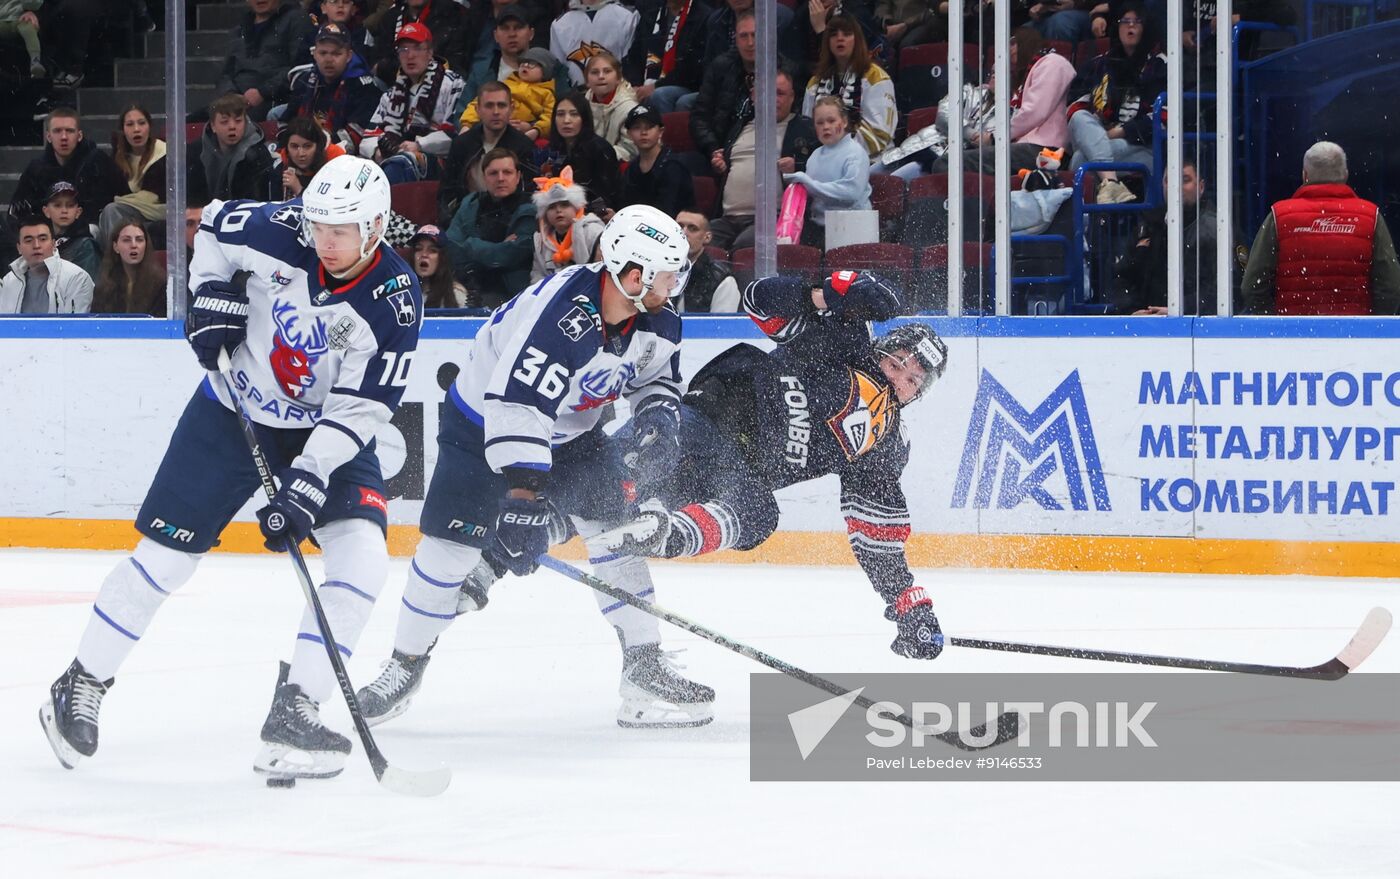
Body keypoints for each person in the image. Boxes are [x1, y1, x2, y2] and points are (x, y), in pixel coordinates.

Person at [38, 155, 424, 782]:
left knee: (362, 558)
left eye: (341, 230)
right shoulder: (278, 228)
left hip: (324, 431)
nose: (325, 240)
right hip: (231, 408)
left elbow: (363, 406)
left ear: (376, 228)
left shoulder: (393, 301)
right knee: (166, 559)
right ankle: (82, 681)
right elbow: (214, 224)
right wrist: (210, 291)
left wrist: (310, 477)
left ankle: (296, 710)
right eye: (319, 225)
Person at [352, 204, 716, 731]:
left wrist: (658, 415)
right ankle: (404, 665)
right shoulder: (563, 316)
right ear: (633, 275)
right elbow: (516, 405)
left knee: (614, 531)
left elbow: (655, 376)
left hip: (571, 435)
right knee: (449, 550)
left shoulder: (658, 317)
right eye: (667, 274)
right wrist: (523, 499)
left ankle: (643, 667)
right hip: (481, 427)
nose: (675, 284)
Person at [591, 272, 948, 663]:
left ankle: (662, 533)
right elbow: (758, 300)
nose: (899, 380)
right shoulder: (844, 340)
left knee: (759, 514)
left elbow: (877, 535)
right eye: (896, 363)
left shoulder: (884, 444)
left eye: (913, 380)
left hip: (732, 476)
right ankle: (555, 496)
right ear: (881, 351)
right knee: (612, 474)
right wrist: (827, 293)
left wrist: (908, 602)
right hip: (702, 424)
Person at [1241, 141, 1400, 316]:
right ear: (1345, 175)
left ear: (1305, 175)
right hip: (1354, 331)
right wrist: (1371, 325)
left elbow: (1253, 286)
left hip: (1294, 330)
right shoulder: (1371, 217)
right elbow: (1391, 287)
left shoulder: (1279, 217)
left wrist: (1276, 324)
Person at [1066, 0, 1165, 205]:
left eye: (1137, 21)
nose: (1130, 26)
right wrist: (1100, 133)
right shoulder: (1099, 64)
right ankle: (1110, 181)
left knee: (1079, 160)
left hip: (1141, 148)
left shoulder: (1160, 65)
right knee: (1079, 117)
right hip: (1100, 138)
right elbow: (1076, 105)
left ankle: (1099, 205)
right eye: (1125, 21)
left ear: (1145, 28)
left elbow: (1165, 116)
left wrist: (1121, 132)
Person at [708, 68, 818, 251]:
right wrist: (720, 166)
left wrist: (798, 166)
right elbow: (726, 171)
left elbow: (824, 169)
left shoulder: (805, 129)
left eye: (780, 93)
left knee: (745, 246)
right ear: (754, 96)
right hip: (728, 218)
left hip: (774, 218)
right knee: (697, 243)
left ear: (792, 97)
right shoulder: (739, 127)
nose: (774, 99)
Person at [360, 23, 466, 185]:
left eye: (417, 48)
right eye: (403, 49)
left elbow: (457, 135)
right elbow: (368, 137)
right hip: (396, 159)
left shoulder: (453, 84)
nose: (410, 56)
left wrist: (419, 145)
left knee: (401, 163)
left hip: (441, 162)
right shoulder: (390, 95)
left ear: (430, 52)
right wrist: (378, 151)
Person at [1112, 158, 1221, 315]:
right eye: (1169, 180)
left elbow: (1228, 290)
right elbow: (1121, 278)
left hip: (1197, 325)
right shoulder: (1148, 225)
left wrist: (1181, 309)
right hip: (1148, 325)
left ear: (1201, 187)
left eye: (1185, 180)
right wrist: (1132, 312)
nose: (1177, 187)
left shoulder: (1217, 229)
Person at [8, 108, 125, 239]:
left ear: (79, 136)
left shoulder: (98, 162)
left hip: (91, 235)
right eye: (57, 131)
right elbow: (16, 211)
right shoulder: (36, 169)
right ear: (48, 136)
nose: (64, 137)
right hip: (47, 236)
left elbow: (122, 199)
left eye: (69, 131)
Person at [444, 147, 536, 308]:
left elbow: (513, 254)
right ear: (484, 177)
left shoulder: (531, 209)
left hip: (513, 293)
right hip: (470, 285)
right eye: (493, 173)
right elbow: (451, 246)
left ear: (518, 177)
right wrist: (499, 247)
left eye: (507, 172)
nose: (500, 178)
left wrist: (471, 243)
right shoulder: (470, 204)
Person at [439, 81, 539, 223]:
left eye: (501, 105)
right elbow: (447, 191)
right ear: (477, 109)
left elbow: (529, 194)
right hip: (467, 217)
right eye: (489, 105)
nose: (496, 112)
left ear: (511, 108)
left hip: (509, 219)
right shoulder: (461, 144)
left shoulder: (524, 146)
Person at [801, 14, 896, 159]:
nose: (840, 38)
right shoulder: (814, 83)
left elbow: (879, 133)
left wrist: (839, 153)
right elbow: (807, 128)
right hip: (824, 160)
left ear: (857, 40)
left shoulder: (876, 77)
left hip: (872, 161)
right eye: (833, 34)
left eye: (847, 34)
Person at [281, 22, 382, 155]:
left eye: (336, 54)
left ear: (349, 56)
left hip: (342, 155)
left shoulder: (364, 87)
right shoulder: (306, 80)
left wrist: (315, 150)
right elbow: (286, 121)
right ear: (314, 54)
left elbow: (355, 135)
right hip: (303, 151)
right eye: (323, 53)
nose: (328, 59)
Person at [783, 96, 871, 249]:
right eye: (820, 123)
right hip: (817, 227)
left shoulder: (856, 153)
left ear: (844, 122)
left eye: (831, 121)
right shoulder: (815, 156)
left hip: (852, 228)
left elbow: (851, 193)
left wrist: (808, 183)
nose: (825, 127)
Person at [214, 0, 314, 123]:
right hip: (237, 100)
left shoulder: (296, 20)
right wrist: (231, 95)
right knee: (196, 121)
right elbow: (225, 73)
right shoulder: (239, 29)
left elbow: (299, 67)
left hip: (273, 97)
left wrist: (263, 92)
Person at [624, 0, 715, 114]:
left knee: (660, 95)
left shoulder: (704, 16)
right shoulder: (652, 14)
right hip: (646, 83)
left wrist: (656, 86)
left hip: (685, 85)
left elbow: (693, 68)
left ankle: (664, 126)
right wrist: (635, 85)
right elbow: (634, 56)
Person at [97, 105, 168, 251]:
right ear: (123, 130)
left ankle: (115, 259)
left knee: (112, 210)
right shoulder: (118, 158)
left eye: (141, 123)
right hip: (129, 215)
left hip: (160, 216)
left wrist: (121, 201)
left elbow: (154, 199)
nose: (136, 129)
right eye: (130, 124)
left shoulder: (165, 154)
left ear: (149, 127)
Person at [538, 92, 623, 212]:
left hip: (592, 214)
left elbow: (607, 195)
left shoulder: (600, 149)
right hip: (556, 213)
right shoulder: (550, 149)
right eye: (560, 114)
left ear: (584, 118)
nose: (566, 120)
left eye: (574, 114)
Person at [187, 94, 276, 204]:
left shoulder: (257, 154)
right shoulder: (196, 151)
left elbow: (259, 200)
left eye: (238, 121)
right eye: (224, 122)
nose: (232, 127)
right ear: (213, 126)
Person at [459, 46, 556, 142]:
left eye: (531, 64)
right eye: (522, 62)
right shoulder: (507, 84)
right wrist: (467, 125)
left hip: (523, 135)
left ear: (545, 71)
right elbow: (478, 103)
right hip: (492, 128)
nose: (525, 65)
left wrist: (535, 129)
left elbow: (550, 116)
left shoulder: (547, 93)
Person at [0, 215, 94, 313]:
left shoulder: (76, 277)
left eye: (43, 239)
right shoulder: (9, 281)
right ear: (19, 248)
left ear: (53, 244)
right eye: (29, 241)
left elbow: (74, 321)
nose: (36, 245)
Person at [530, 167, 606, 282]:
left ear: (576, 207)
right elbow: (537, 275)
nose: (558, 210)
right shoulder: (540, 242)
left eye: (564, 205)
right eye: (551, 207)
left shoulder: (593, 231)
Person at [618, 104, 694, 219]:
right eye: (637, 127)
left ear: (660, 131)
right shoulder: (632, 169)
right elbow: (626, 204)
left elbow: (667, 211)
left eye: (649, 127)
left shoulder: (673, 166)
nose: (643, 132)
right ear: (629, 134)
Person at [369, 0, 471, 83]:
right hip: (393, 85)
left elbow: (453, 64)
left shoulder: (452, 15)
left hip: (439, 88)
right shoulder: (391, 18)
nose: (410, 55)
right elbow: (378, 64)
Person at [550, 0, 640, 88]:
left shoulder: (627, 17)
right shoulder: (559, 24)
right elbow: (558, 71)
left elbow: (632, 65)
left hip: (620, 92)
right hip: (576, 94)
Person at [89, 219, 166, 316]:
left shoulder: (160, 284)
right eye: (126, 240)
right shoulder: (103, 287)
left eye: (139, 240)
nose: (134, 245)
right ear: (116, 247)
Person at [674, 208, 739, 312]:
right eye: (679, 227)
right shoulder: (658, 270)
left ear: (707, 237)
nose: (683, 233)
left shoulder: (722, 279)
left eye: (693, 228)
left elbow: (721, 322)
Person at [271, 115, 347, 198]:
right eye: (294, 146)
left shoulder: (338, 165)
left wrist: (299, 190)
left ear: (318, 146)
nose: (301, 154)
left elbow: (338, 202)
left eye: (307, 146)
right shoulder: (282, 169)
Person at [584, 51, 640, 162]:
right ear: (587, 81)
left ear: (618, 78)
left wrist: (598, 156)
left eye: (607, 71)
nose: (601, 76)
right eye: (594, 72)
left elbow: (630, 150)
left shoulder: (629, 109)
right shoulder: (581, 105)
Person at [41, 182, 100, 281]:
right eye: (57, 205)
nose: (64, 210)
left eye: (70, 205)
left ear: (78, 212)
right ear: (46, 211)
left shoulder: (86, 246)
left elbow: (86, 285)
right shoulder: (40, 243)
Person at [409, 224, 468, 308]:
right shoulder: (402, 291)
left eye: (432, 250)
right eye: (419, 249)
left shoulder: (456, 294)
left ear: (442, 258)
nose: (424, 254)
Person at [0, 0, 45, 80]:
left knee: (28, 27)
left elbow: (35, 4)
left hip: (20, 19)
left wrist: (30, 10)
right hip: (2, 22)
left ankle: (35, 61)